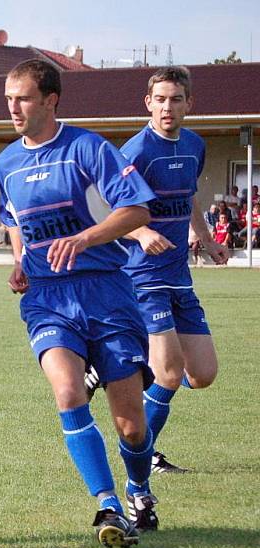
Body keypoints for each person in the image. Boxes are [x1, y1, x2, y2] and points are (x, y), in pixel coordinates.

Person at [0, 59, 158, 548]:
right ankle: (107, 503)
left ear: (50, 100)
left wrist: (85, 239)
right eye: (8, 99)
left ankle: (139, 489)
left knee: (130, 423)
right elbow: (14, 220)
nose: (14, 108)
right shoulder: (6, 163)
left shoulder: (88, 149)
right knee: (67, 391)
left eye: (22, 98)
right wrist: (19, 260)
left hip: (107, 291)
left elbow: (136, 209)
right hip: (47, 298)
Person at [107, 66, 229, 475]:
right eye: (159, 99)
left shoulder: (194, 145)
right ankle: (143, 456)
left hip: (180, 276)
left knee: (204, 373)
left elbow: (190, 198)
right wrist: (140, 232)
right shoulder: (136, 151)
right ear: (148, 103)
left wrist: (207, 239)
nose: (167, 107)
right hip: (143, 277)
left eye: (175, 99)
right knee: (172, 373)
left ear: (189, 104)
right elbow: (110, 208)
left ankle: (127, 374)